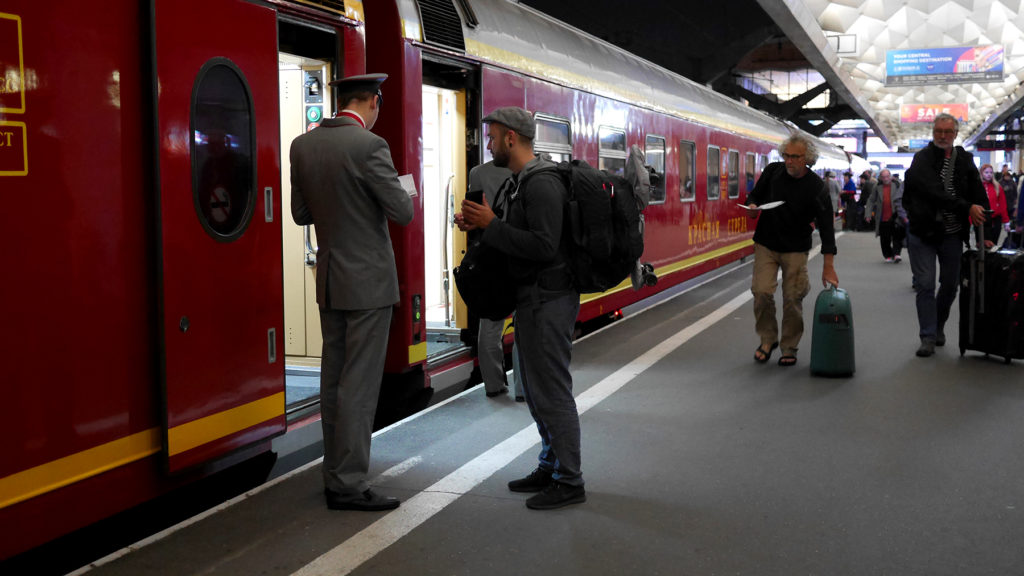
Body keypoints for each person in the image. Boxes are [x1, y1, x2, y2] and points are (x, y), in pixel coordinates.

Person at [290, 73, 414, 511]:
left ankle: (334, 473)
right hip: (369, 287)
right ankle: (350, 484)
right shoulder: (370, 147)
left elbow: (301, 213)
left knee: (334, 381)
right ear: (373, 101)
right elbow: (402, 212)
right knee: (359, 387)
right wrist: (404, 185)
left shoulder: (303, 145)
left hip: (331, 281)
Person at [455, 106, 585, 510]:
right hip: (532, 299)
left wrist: (492, 225)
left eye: (492, 136)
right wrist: (483, 225)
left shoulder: (541, 184)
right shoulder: (520, 181)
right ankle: (550, 464)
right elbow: (517, 236)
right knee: (532, 389)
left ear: (511, 138)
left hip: (549, 299)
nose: (488, 143)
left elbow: (544, 246)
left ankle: (570, 480)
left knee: (551, 391)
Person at [746, 133, 839, 367]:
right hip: (766, 243)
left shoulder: (816, 187)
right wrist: (752, 206)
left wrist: (828, 266)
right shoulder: (773, 172)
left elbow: (827, 227)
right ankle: (767, 339)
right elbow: (755, 194)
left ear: (807, 159)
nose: (789, 161)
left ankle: (789, 346)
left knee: (792, 298)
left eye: (795, 157)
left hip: (795, 248)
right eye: (786, 156)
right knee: (761, 292)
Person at [902, 113, 988, 358]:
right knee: (926, 284)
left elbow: (979, 197)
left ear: (955, 134)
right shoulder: (922, 159)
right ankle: (927, 336)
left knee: (950, 285)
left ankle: (938, 324)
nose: (942, 135)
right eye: (938, 131)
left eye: (947, 132)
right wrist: (966, 208)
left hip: (952, 234)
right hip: (923, 232)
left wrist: (985, 235)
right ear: (933, 133)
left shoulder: (965, 161)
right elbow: (935, 193)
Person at [467, 160, 519, 399]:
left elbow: (472, 215)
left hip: (491, 255)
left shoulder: (478, 174)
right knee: (525, 326)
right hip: (520, 252)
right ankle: (523, 387)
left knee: (490, 323)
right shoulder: (529, 171)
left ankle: (493, 385)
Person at [865, 168, 907, 263]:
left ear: (890, 176)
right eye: (883, 177)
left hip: (896, 216)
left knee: (897, 236)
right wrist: (868, 214)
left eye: (887, 176)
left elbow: (904, 198)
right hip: (882, 216)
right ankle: (888, 255)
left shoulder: (897, 185)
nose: (885, 179)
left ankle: (896, 254)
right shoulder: (877, 186)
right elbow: (871, 200)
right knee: (885, 238)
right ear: (880, 178)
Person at [979, 163, 1009, 246]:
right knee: (981, 245)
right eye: (986, 172)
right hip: (981, 220)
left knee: (993, 244)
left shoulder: (997, 187)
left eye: (991, 172)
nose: (989, 174)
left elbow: (1003, 205)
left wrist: (1006, 221)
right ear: (981, 173)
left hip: (996, 220)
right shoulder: (977, 187)